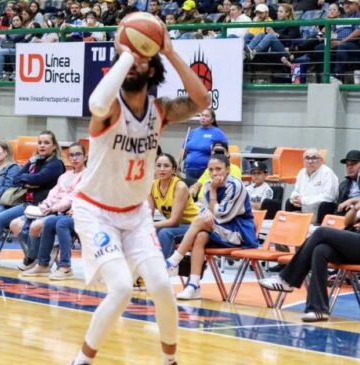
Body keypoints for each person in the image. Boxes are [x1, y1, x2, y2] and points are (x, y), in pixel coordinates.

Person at [70, 24, 210, 365]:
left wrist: (171, 52)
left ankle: (170, 360)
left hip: (134, 214)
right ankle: (82, 361)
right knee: (120, 288)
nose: (132, 65)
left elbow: (201, 100)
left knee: (162, 286)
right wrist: (128, 52)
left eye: (140, 61)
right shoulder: (111, 109)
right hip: (95, 210)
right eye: (125, 61)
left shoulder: (159, 110)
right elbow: (96, 102)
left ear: (153, 67)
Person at [165, 154, 259, 300]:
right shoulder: (208, 184)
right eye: (211, 169)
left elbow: (223, 215)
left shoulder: (236, 186)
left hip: (238, 232)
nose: (214, 173)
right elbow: (203, 208)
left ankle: (174, 261)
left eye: (218, 169)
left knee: (198, 221)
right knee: (200, 236)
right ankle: (194, 285)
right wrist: (207, 212)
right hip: (219, 229)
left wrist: (214, 193)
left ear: (227, 169)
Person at [0, 130, 66, 262]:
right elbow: (16, 179)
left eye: (46, 143)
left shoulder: (56, 165)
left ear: (54, 147)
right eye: (40, 142)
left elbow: (38, 179)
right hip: (23, 202)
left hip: (37, 205)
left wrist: (30, 181)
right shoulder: (36, 161)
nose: (42, 145)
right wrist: (30, 169)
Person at [259, 199, 360, 322]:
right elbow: (348, 221)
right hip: (356, 246)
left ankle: (287, 279)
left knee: (321, 232)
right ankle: (318, 309)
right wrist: (356, 207)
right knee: (320, 250)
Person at [19, 142, 87, 280]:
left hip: (82, 215)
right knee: (50, 222)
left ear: (85, 157)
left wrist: (53, 208)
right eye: (71, 155)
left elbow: (73, 196)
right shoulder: (65, 175)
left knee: (61, 223)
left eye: (78, 154)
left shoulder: (88, 175)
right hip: (62, 212)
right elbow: (53, 193)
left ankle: (65, 267)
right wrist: (45, 205)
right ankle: (43, 265)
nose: (74, 158)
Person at [150, 153, 199, 259]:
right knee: (148, 233)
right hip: (176, 227)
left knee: (164, 233)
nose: (162, 169)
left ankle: (166, 269)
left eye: (166, 166)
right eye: (158, 165)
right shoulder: (152, 186)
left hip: (194, 225)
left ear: (173, 170)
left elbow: (173, 221)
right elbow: (148, 217)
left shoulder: (180, 186)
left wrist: (148, 225)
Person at [182, 109, 228, 181]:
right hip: (189, 169)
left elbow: (225, 152)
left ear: (212, 119)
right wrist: (177, 164)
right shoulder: (193, 132)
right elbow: (184, 150)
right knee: (191, 191)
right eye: (202, 115)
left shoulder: (218, 133)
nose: (203, 117)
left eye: (206, 116)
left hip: (207, 170)